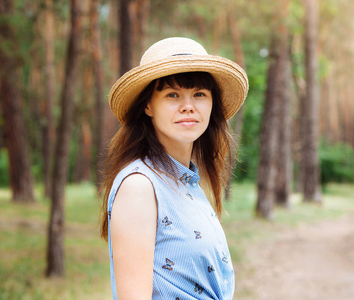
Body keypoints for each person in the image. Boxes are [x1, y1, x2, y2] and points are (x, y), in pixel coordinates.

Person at [100, 37, 248, 300]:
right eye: (172, 95)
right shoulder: (140, 185)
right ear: (148, 105)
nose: (188, 106)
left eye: (199, 94)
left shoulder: (187, 182)